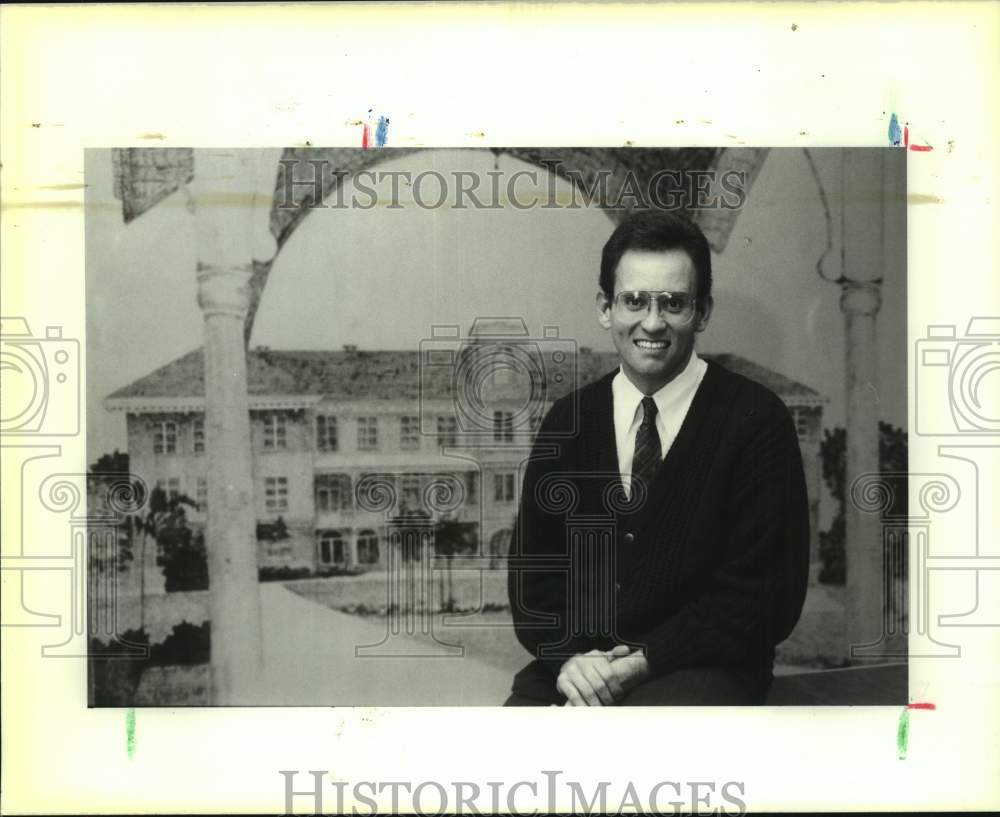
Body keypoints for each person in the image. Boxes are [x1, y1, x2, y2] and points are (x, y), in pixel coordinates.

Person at [504, 209, 810, 706]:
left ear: (703, 312)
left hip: (706, 668)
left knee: (639, 755)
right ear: (606, 308)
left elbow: (767, 598)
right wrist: (569, 659)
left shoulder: (757, 421)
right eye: (633, 300)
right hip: (581, 668)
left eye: (673, 303)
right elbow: (534, 583)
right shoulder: (569, 421)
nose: (652, 321)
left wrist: (643, 661)